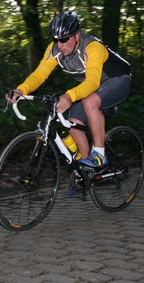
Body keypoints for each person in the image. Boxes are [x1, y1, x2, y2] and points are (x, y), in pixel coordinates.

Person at [8, 11, 131, 168]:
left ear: (76, 36)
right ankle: (86, 170)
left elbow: (93, 82)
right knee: (72, 126)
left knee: (90, 102)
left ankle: (100, 155)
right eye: (56, 40)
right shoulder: (54, 51)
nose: (60, 45)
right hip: (90, 87)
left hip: (117, 79)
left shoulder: (92, 47)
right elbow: (40, 74)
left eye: (64, 39)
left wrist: (70, 96)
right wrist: (21, 90)